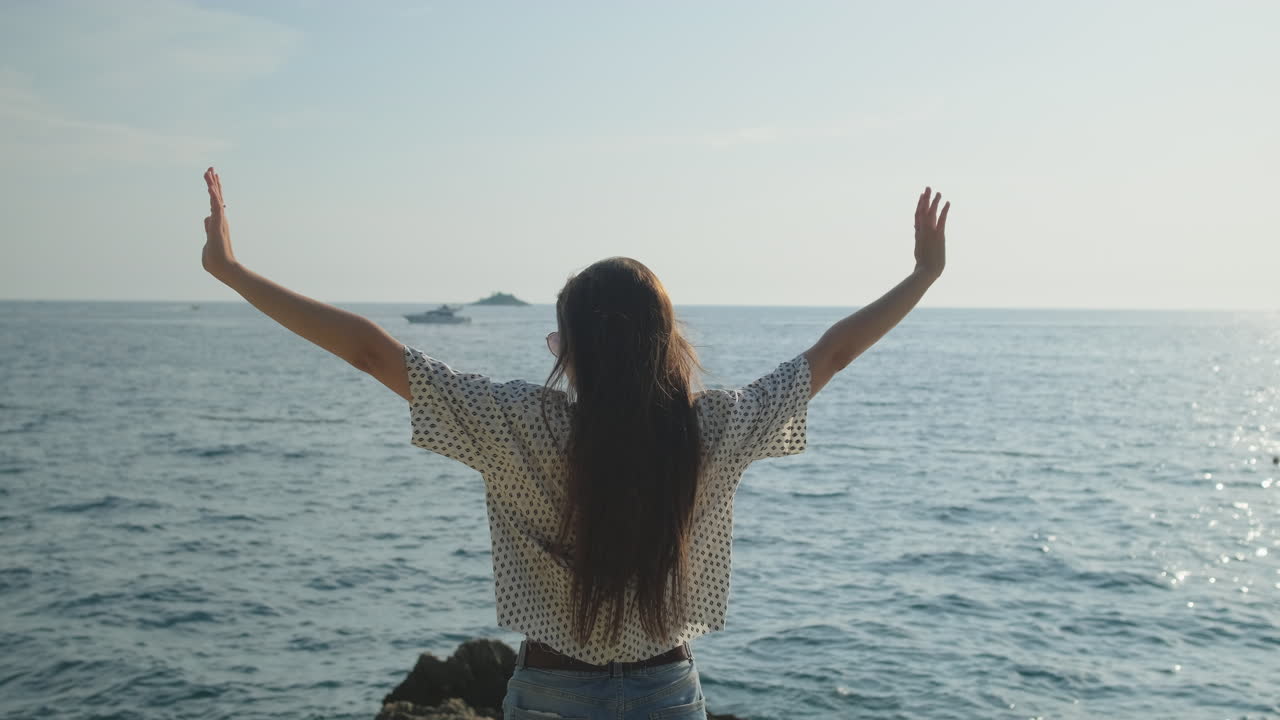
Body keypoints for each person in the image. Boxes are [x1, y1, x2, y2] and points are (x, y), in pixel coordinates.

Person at [199, 167, 949, 719]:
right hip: (665, 693)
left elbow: (370, 350)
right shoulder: (711, 429)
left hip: (553, 693)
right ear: (664, 344)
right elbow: (831, 355)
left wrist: (233, 271)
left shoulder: (519, 425)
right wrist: (920, 276)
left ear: (575, 350)